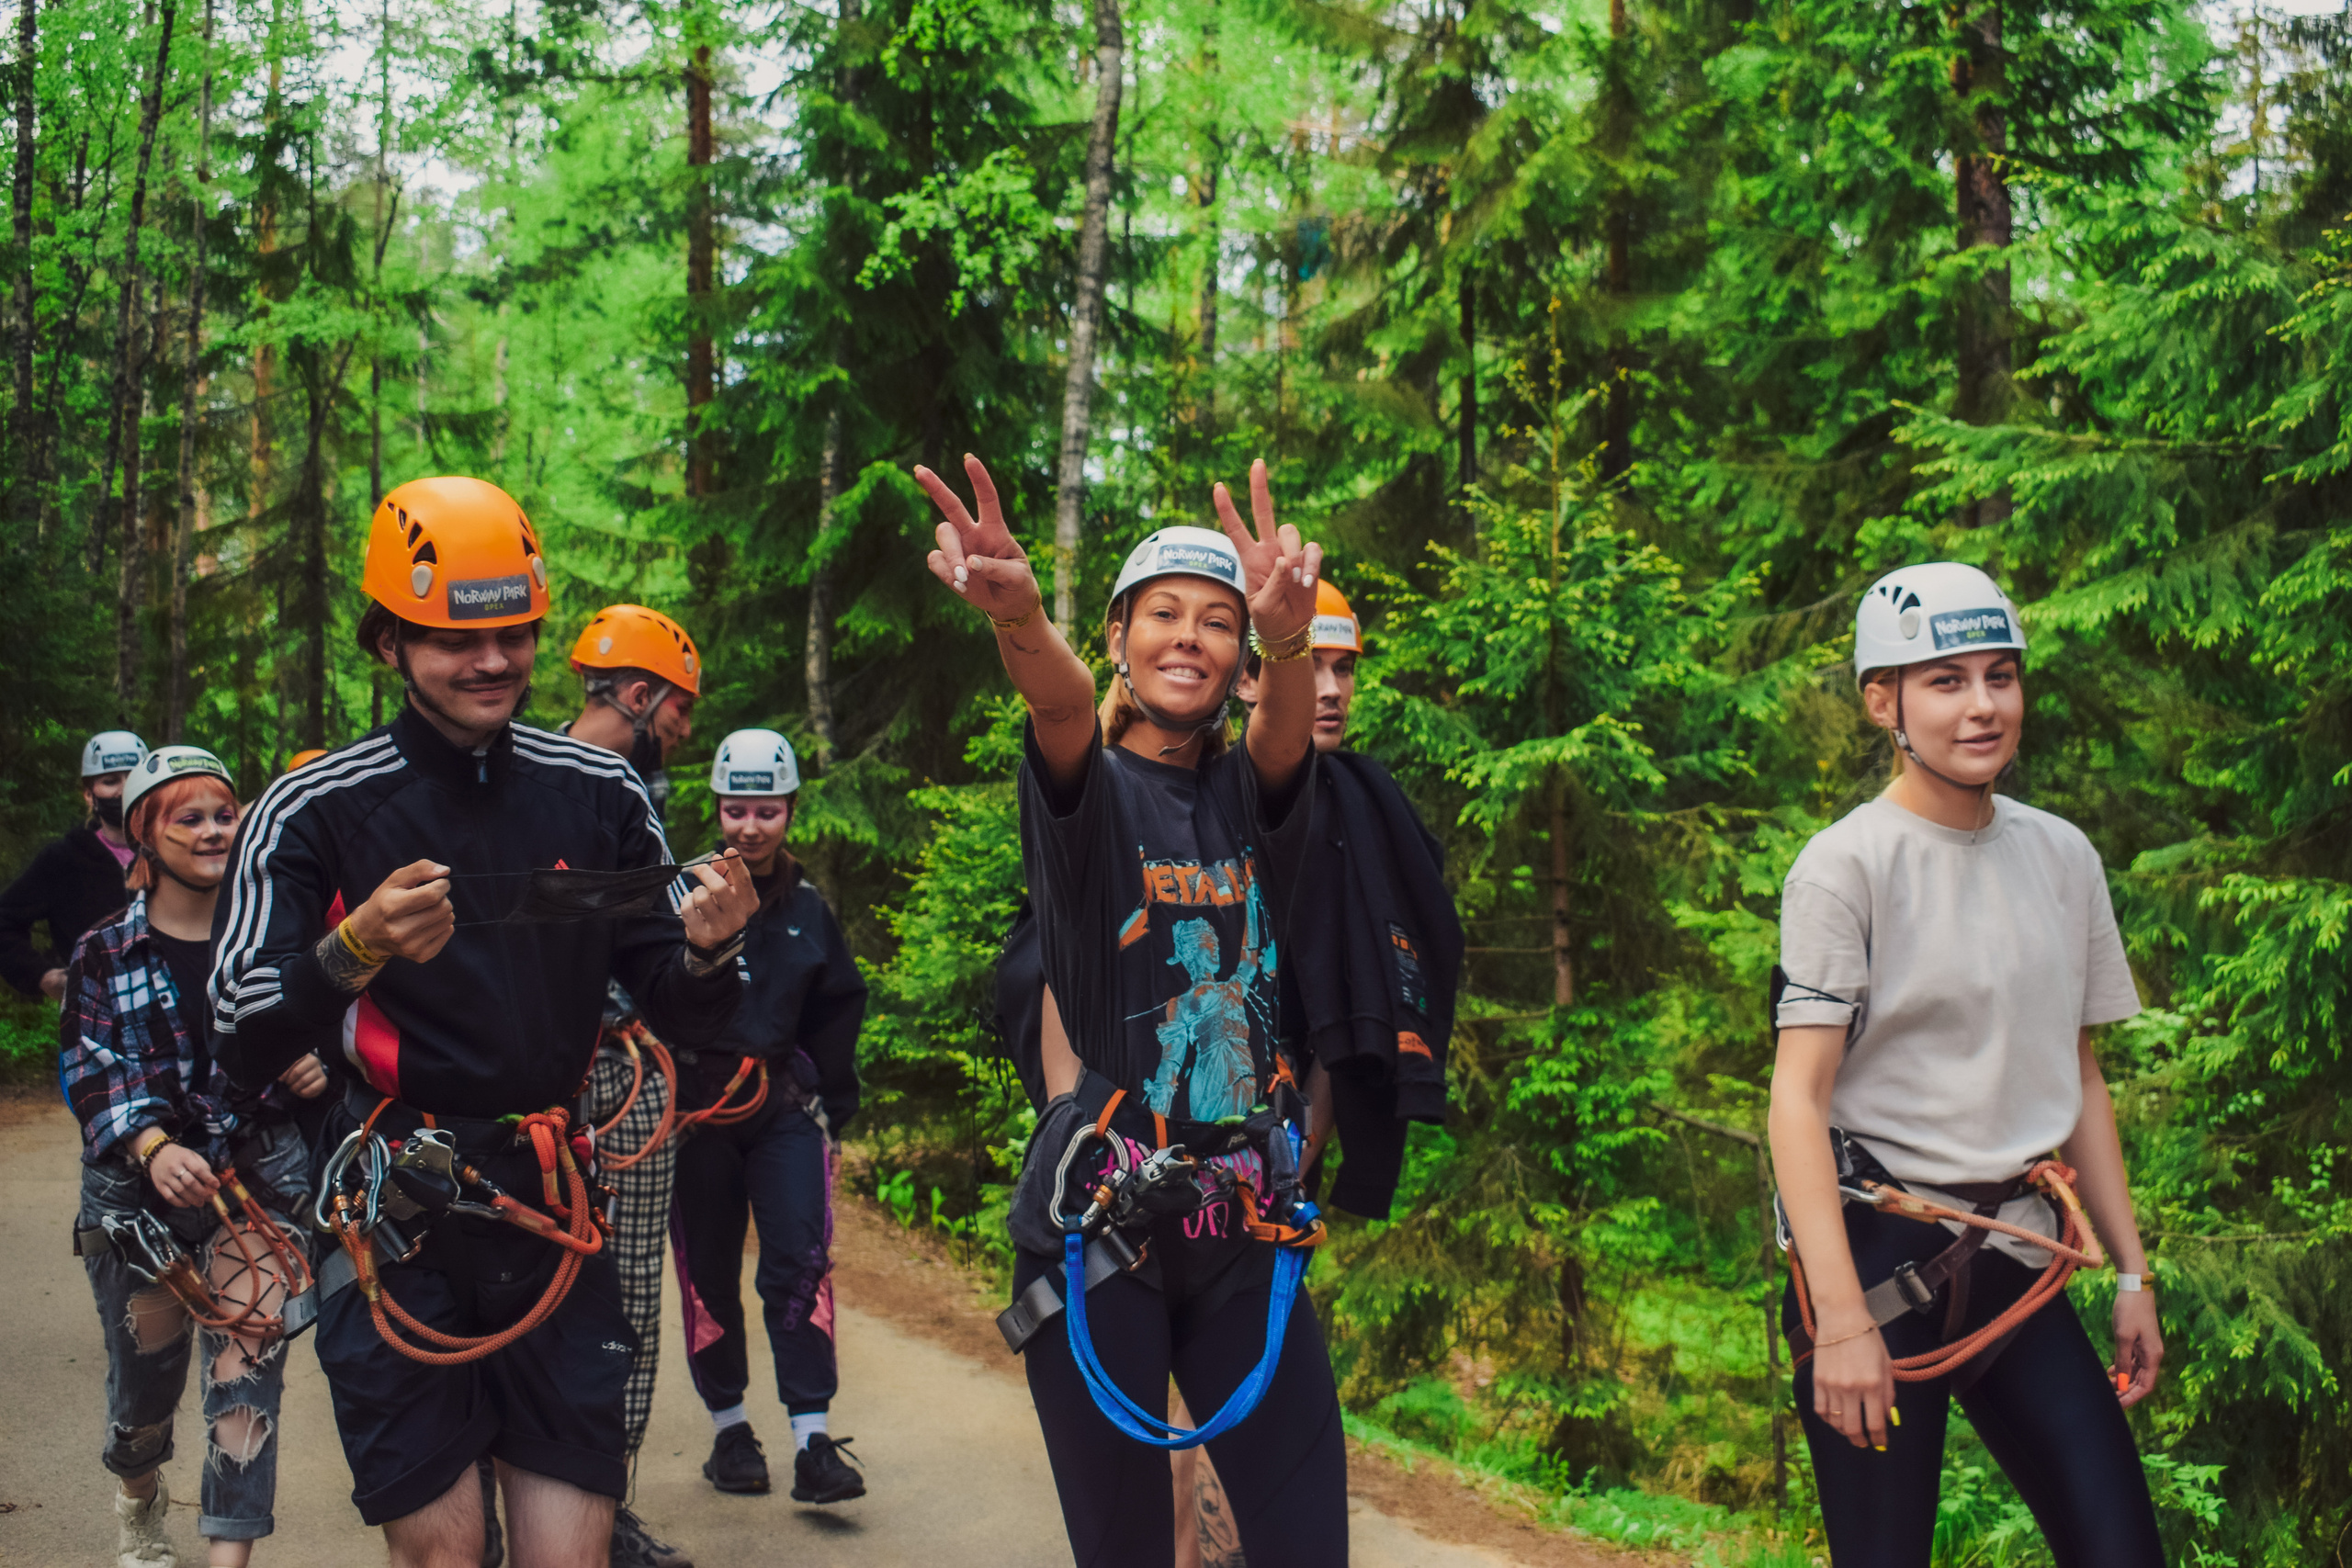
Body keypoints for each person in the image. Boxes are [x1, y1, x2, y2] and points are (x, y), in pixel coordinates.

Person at [208, 475, 759, 1568]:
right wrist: (351, 948)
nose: (493, 661)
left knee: (569, 1556)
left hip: (551, 1206)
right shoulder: (314, 807)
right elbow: (237, 1025)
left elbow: (678, 1002)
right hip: (394, 1218)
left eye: (513, 633)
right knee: (443, 1555)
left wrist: (709, 949)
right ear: (388, 642)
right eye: (456, 638)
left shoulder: (598, 794)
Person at [917, 453, 1345, 1568]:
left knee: (1307, 1547)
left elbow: (1289, 733)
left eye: (1216, 622)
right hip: (1102, 1223)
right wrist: (1018, 616)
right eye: (1163, 614)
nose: (1189, 638)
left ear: (1241, 661)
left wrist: (1290, 636)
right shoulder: (1089, 803)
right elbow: (1057, 704)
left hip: (1242, 1223)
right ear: (1119, 639)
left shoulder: (1258, 792)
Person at [1766, 562, 2165, 1568]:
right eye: (1944, 681)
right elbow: (1796, 1102)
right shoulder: (1845, 866)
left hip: (2018, 1258)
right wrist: (1844, 1322)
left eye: (2001, 675)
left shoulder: (2061, 857)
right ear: (1880, 702)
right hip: (1877, 1265)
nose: (1983, 706)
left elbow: (2075, 1073)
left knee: (2121, 1552)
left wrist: (2130, 1272)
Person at [62, 744, 331, 1568]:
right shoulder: (104, 951)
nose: (215, 830)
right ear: (147, 832)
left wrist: (314, 1062)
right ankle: (138, 1498)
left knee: (245, 1394)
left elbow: (334, 1029)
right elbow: (87, 1065)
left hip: (253, 1191)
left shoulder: (277, 942)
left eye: (225, 813)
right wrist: (150, 1144)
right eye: (191, 817)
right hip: (138, 1204)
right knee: (144, 1397)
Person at [670, 728, 869, 1506]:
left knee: (799, 1260)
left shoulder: (808, 907)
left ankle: (812, 1439)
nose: (750, 825)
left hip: (782, 1108)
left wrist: (834, 1109)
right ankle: (730, 1429)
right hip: (696, 1114)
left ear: (788, 810)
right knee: (707, 1271)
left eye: (766, 809)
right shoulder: (682, 891)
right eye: (736, 808)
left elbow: (837, 1006)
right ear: (717, 808)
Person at [562, 604, 705, 1568]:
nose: (686, 733)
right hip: (567, 1075)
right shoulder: (577, 788)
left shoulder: (626, 794)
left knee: (624, 1295)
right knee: (582, 1291)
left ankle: (601, 1512)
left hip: (624, 1070)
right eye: (681, 712)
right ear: (640, 695)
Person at [0, 729, 150, 1002]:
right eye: (110, 781)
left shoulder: (172, 853)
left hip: (176, 1016)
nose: (124, 790)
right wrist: (41, 976)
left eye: (134, 778)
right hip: (93, 1016)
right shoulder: (63, 860)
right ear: (89, 795)